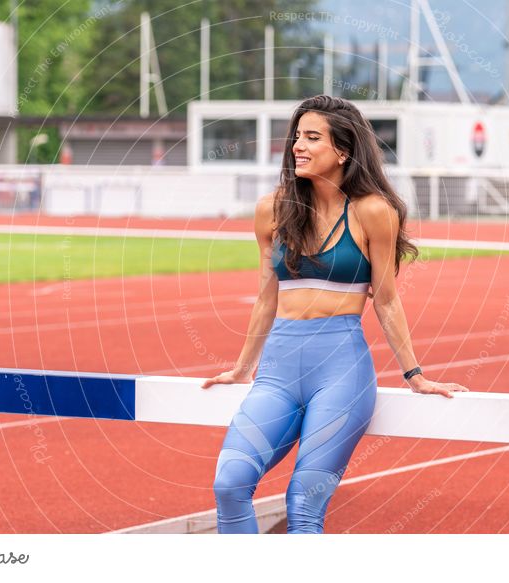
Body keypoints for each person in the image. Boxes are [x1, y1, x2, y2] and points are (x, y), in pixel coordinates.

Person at [201, 95, 470, 534]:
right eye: (296, 138)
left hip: (341, 372)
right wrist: (241, 367)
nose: (297, 147)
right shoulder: (272, 208)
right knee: (229, 485)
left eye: (312, 137)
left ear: (342, 150)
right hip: (278, 370)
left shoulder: (373, 211)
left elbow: (385, 299)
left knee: (303, 506)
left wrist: (415, 374)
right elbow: (267, 298)